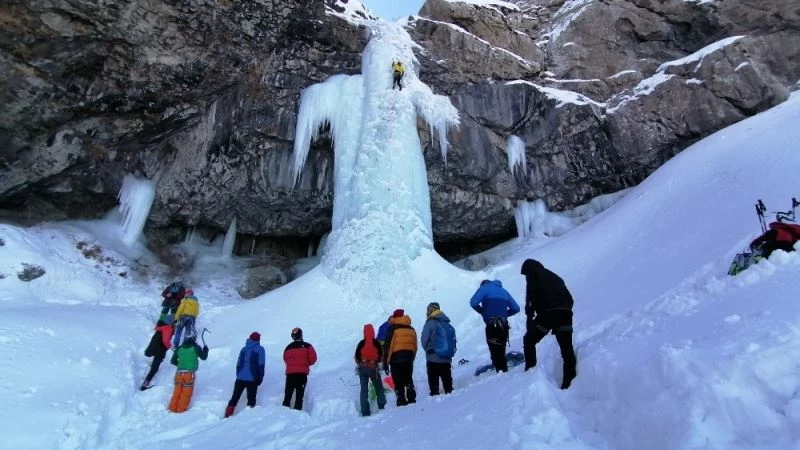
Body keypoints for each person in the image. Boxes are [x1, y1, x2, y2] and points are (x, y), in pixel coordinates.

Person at [520, 259, 577, 389]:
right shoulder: (556, 277)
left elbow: (531, 297)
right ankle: (569, 385)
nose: (525, 277)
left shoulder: (533, 275)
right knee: (567, 350)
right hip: (565, 313)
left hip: (547, 315)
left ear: (529, 270)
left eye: (525, 274)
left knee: (529, 340)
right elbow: (570, 299)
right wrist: (564, 310)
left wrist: (530, 316)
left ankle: (530, 372)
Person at [469, 279, 520, 372]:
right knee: (501, 350)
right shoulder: (504, 291)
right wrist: (503, 314)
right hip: (504, 325)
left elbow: (473, 302)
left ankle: (501, 376)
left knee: (494, 351)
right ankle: (503, 372)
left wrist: (483, 312)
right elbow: (516, 308)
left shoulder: (485, 288)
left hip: (493, 325)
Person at [224, 332, 265, 418]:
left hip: (240, 378)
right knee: (251, 400)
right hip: (252, 379)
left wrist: (238, 375)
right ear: (258, 339)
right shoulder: (260, 349)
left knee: (234, 398)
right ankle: (248, 418)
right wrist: (260, 378)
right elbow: (261, 365)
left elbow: (238, 364)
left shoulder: (243, 349)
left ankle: (227, 415)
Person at [168, 330, 209, 413]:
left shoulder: (179, 348)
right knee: (186, 393)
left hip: (178, 373)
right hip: (189, 374)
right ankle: (180, 411)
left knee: (177, 392)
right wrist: (206, 350)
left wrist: (181, 365)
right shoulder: (195, 347)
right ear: (194, 338)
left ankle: (172, 409)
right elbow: (204, 357)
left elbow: (172, 361)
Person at [383, 309, 417, 406]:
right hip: (409, 358)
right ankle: (412, 399)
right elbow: (415, 346)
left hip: (396, 359)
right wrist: (411, 358)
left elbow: (388, 347)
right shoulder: (411, 329)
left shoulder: (392, 328)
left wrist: (386, 363)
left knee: (398, 381)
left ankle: (401, 400)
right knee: (408, 378)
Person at [420, 302, 455, 396]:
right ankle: (451, 395)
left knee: (433, 381)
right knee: (447, 382)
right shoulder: (446, 323)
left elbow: (424, 339)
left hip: (433, 357)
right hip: (446, 357)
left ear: (431, 310)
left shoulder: (430, 322)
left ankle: (435, 398)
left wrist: (428, 350)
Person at [354, 324, 386, 416]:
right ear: (373, 332)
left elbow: (356, 357)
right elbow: (380, 358)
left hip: (362, 369)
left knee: (363, 390)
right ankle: (382, 407)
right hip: (373, 369)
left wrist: (362, 362)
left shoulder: (361, 343)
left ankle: (365, 411)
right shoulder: (376, 343)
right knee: (379, 388)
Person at [282, 327, 318, 410]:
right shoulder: (308, 346)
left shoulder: (288, 347)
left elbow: (285, 358)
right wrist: (305, 364)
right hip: (302, 375)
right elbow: (313, 359)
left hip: (290, 375)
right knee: (299, 396)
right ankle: (297, 415)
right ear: (301, 335)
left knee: (287, 396)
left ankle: (283, 413)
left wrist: (292, 365)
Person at [141, 318, 173, 390]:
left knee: (155, 365)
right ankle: (144, 385)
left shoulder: (160, 327)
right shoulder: (168, 327)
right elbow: (165, 340)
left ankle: (146, 381)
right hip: (160, 350)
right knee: (154, 369)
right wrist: (169, 346)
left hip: (155, 348)